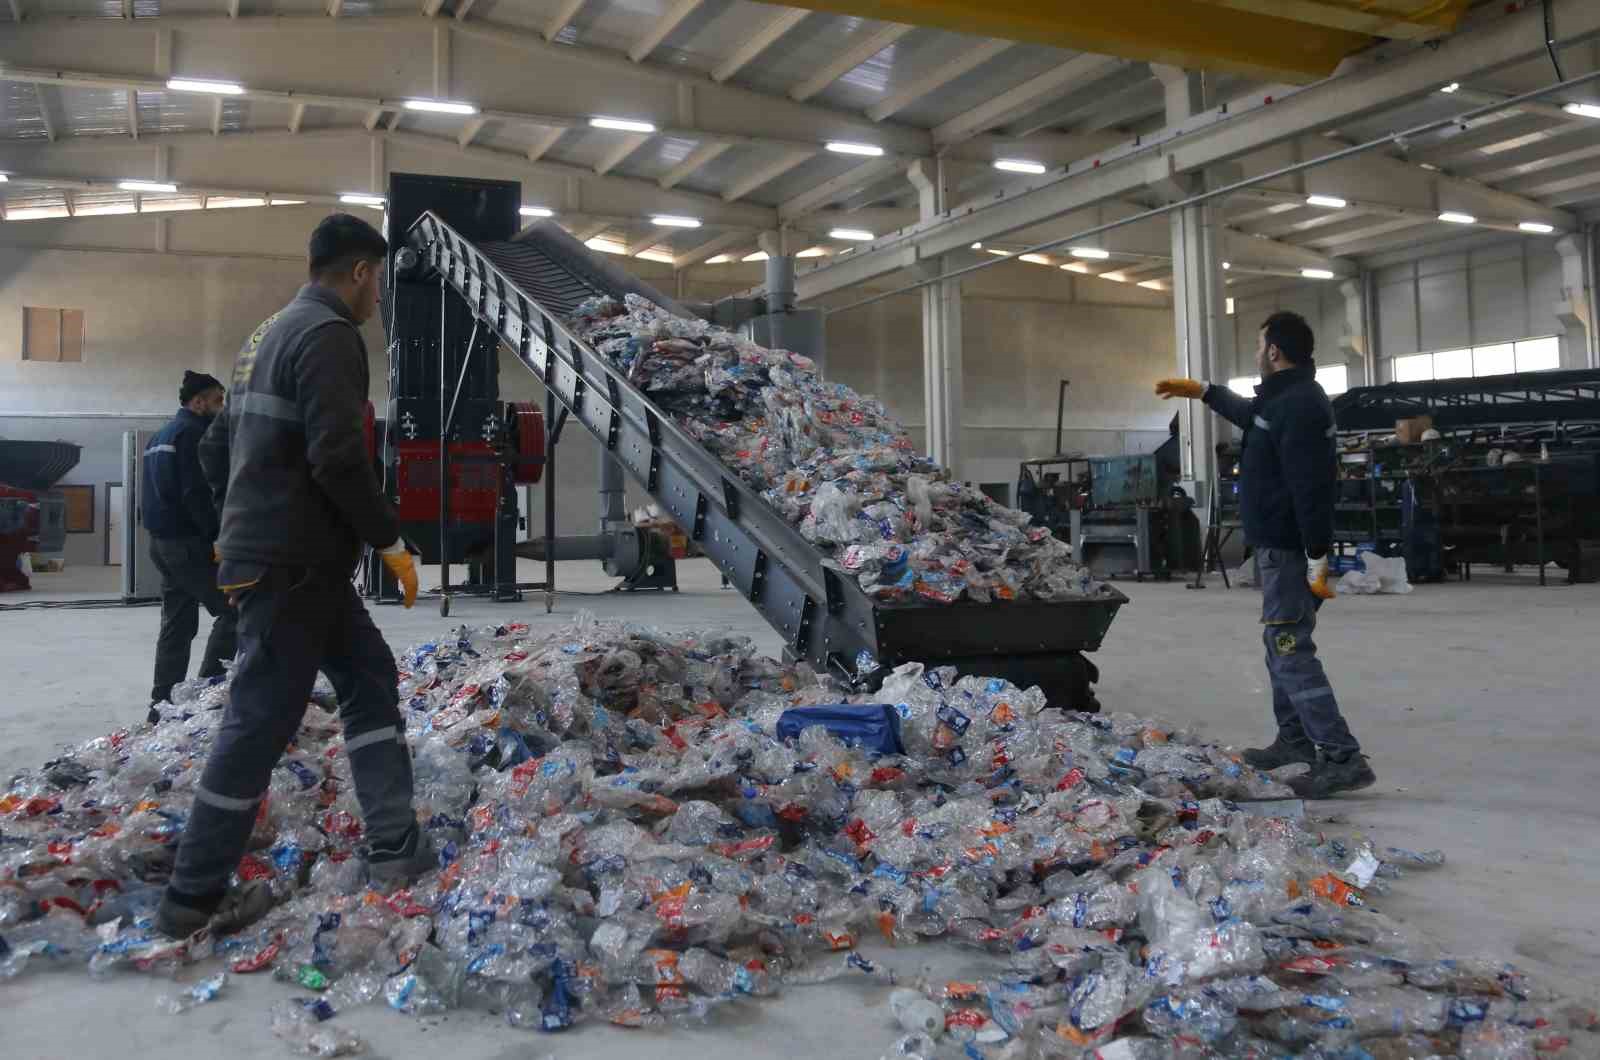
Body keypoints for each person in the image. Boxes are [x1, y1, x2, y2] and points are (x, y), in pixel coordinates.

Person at [155, 213, 424, 938]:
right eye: (379, 282)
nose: (378, 298)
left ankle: (396, 847)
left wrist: (236, 522)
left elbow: (216, 448)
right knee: (258, 720)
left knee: (368, 676)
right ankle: (192, 897)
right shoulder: (330, 336)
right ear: (362, 272)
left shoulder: (263, 336)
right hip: (294, 565)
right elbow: (340, 459)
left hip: (292, 561)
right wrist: (390, 541)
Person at [1155, 311, 1375, 799]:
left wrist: (1319, 557)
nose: (1257, 354)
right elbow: (1250, 416)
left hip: (1292, 551)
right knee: (1279, 647)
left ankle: (1341, 756)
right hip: (1279, 549)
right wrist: (1205, 391)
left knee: (1291, 649)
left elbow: (1311, 488)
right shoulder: (1285, 399)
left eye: (1260, 346)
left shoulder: (1299, 405)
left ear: (1274, 351)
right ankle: (1294, 741)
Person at [143, 370, 237, 725]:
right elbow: (197, 495)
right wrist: (219, 539)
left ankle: (161, 705)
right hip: (189, 545)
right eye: (217, 401)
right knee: (235, 612)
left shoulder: (159, 436)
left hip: (162, 544)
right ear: (198, 402)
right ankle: (205, 693)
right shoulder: (195, 435)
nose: (221, 407)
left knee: (177, 624)